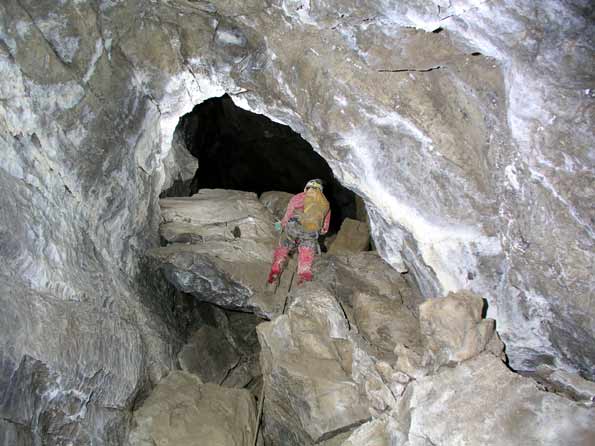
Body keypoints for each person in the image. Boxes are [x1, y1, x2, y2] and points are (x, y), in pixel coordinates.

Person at [267, 179, 331, 285]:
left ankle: (275, 270)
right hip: (311, 230)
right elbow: (324, 229)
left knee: (286, 243)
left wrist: (280, 225)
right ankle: (304, 274)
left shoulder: (298, 197)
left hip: (294, 225)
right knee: (307, 247)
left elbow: (287, 216)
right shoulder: (325, 203)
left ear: (307, 187)